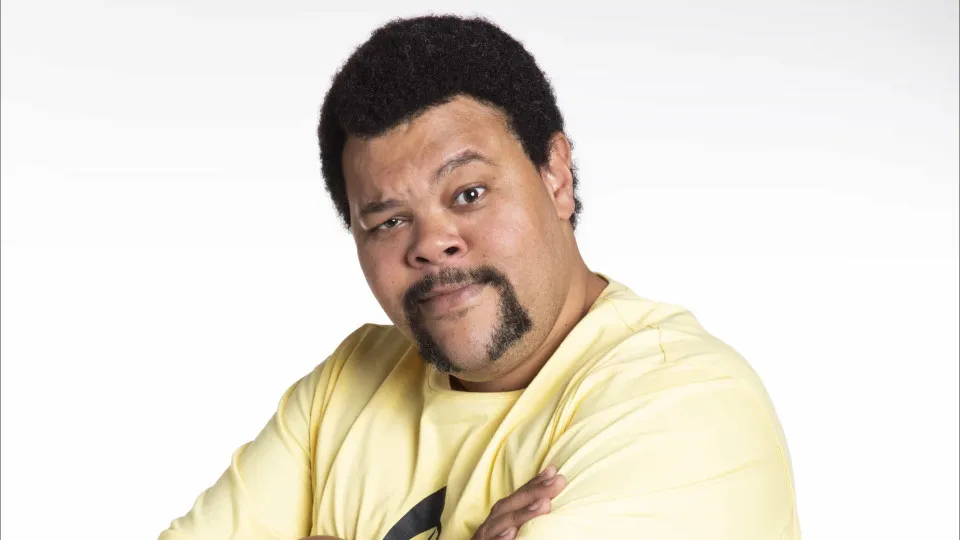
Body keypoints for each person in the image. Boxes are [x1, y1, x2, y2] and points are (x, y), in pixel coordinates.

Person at [159, 14, 800, 540]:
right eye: (388, 221)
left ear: (556, 176)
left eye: (468, 193)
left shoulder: (683, 404)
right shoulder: (345, 387)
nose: (432, 244)